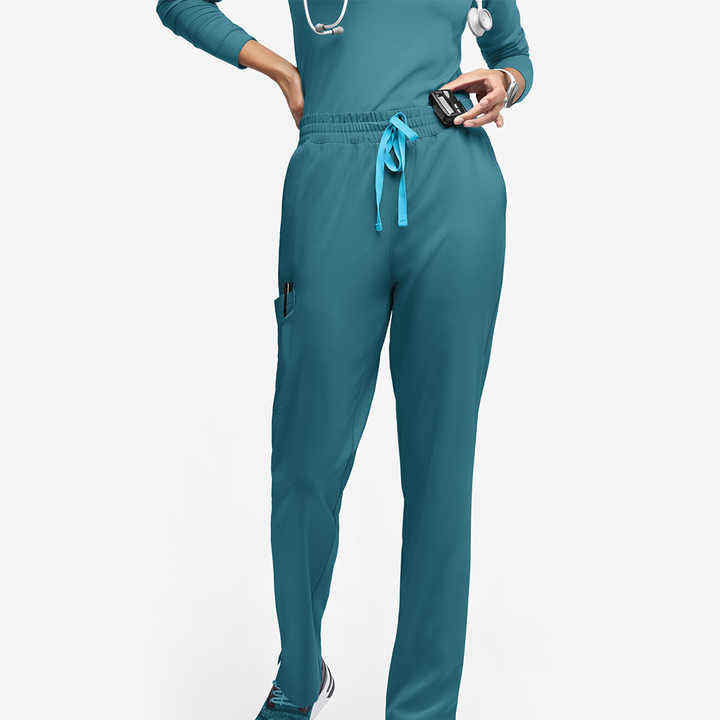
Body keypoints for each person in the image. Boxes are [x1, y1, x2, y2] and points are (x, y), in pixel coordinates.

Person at [156, 1, 533, 719]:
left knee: (441, 471)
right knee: (305, 462)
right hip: (333, 175)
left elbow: (514, 52)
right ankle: (299, 679)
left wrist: (506, 84)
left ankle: (423, 710)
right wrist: (280, 70)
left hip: (455, 186)